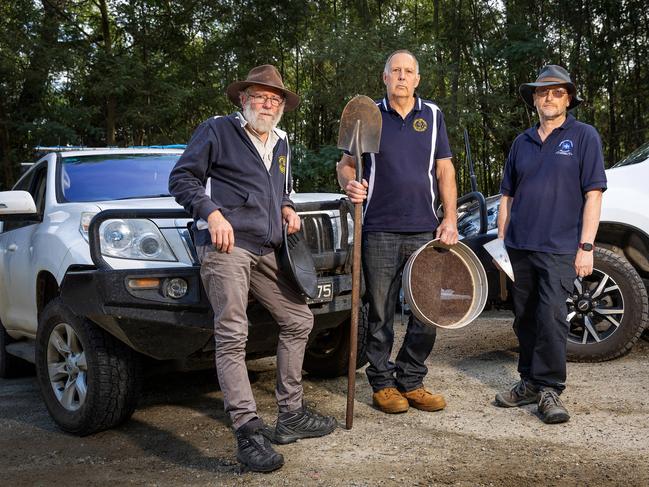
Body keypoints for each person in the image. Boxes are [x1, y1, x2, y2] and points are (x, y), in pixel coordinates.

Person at [169, 64, 336, 472]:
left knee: (299, 320)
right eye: (259, 96)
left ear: (281, 107)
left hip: (266, 249)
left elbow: (282, 187)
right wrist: (211, 213)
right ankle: (247, 432)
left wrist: (288, 207)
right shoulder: (217, 130)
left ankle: (291, 413)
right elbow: (182, 179)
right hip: (226, 247)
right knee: (232, 334)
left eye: (274, 99)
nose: (266, 103)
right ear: (243, 99)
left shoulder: (281, 142)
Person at [336, 50, 458, 414]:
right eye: (396, 71)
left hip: (425, 229)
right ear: (384, 77)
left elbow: (445, 171)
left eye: (409, 72)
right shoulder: (366, 115)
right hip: (379, 228)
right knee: (380, 311)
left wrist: (449, 218)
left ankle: (412, 379)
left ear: (417, 79)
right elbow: (345, 166)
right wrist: (349, 185)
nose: (402, 77)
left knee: (428, 310)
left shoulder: (433, 115)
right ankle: (384, 384)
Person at [495, 64, 607, 424]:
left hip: (560, 246)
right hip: (520, 246)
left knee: (552, 317)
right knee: (524, 317)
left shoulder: (584, 136)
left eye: (557, 92)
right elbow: (507, 193)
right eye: (543, 92)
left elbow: (593, 194)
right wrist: (503, 231)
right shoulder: (521, 142)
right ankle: (528, 382)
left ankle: (549, 389)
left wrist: (586, 246)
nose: (549, 97)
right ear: (534, 100)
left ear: (568, 98)